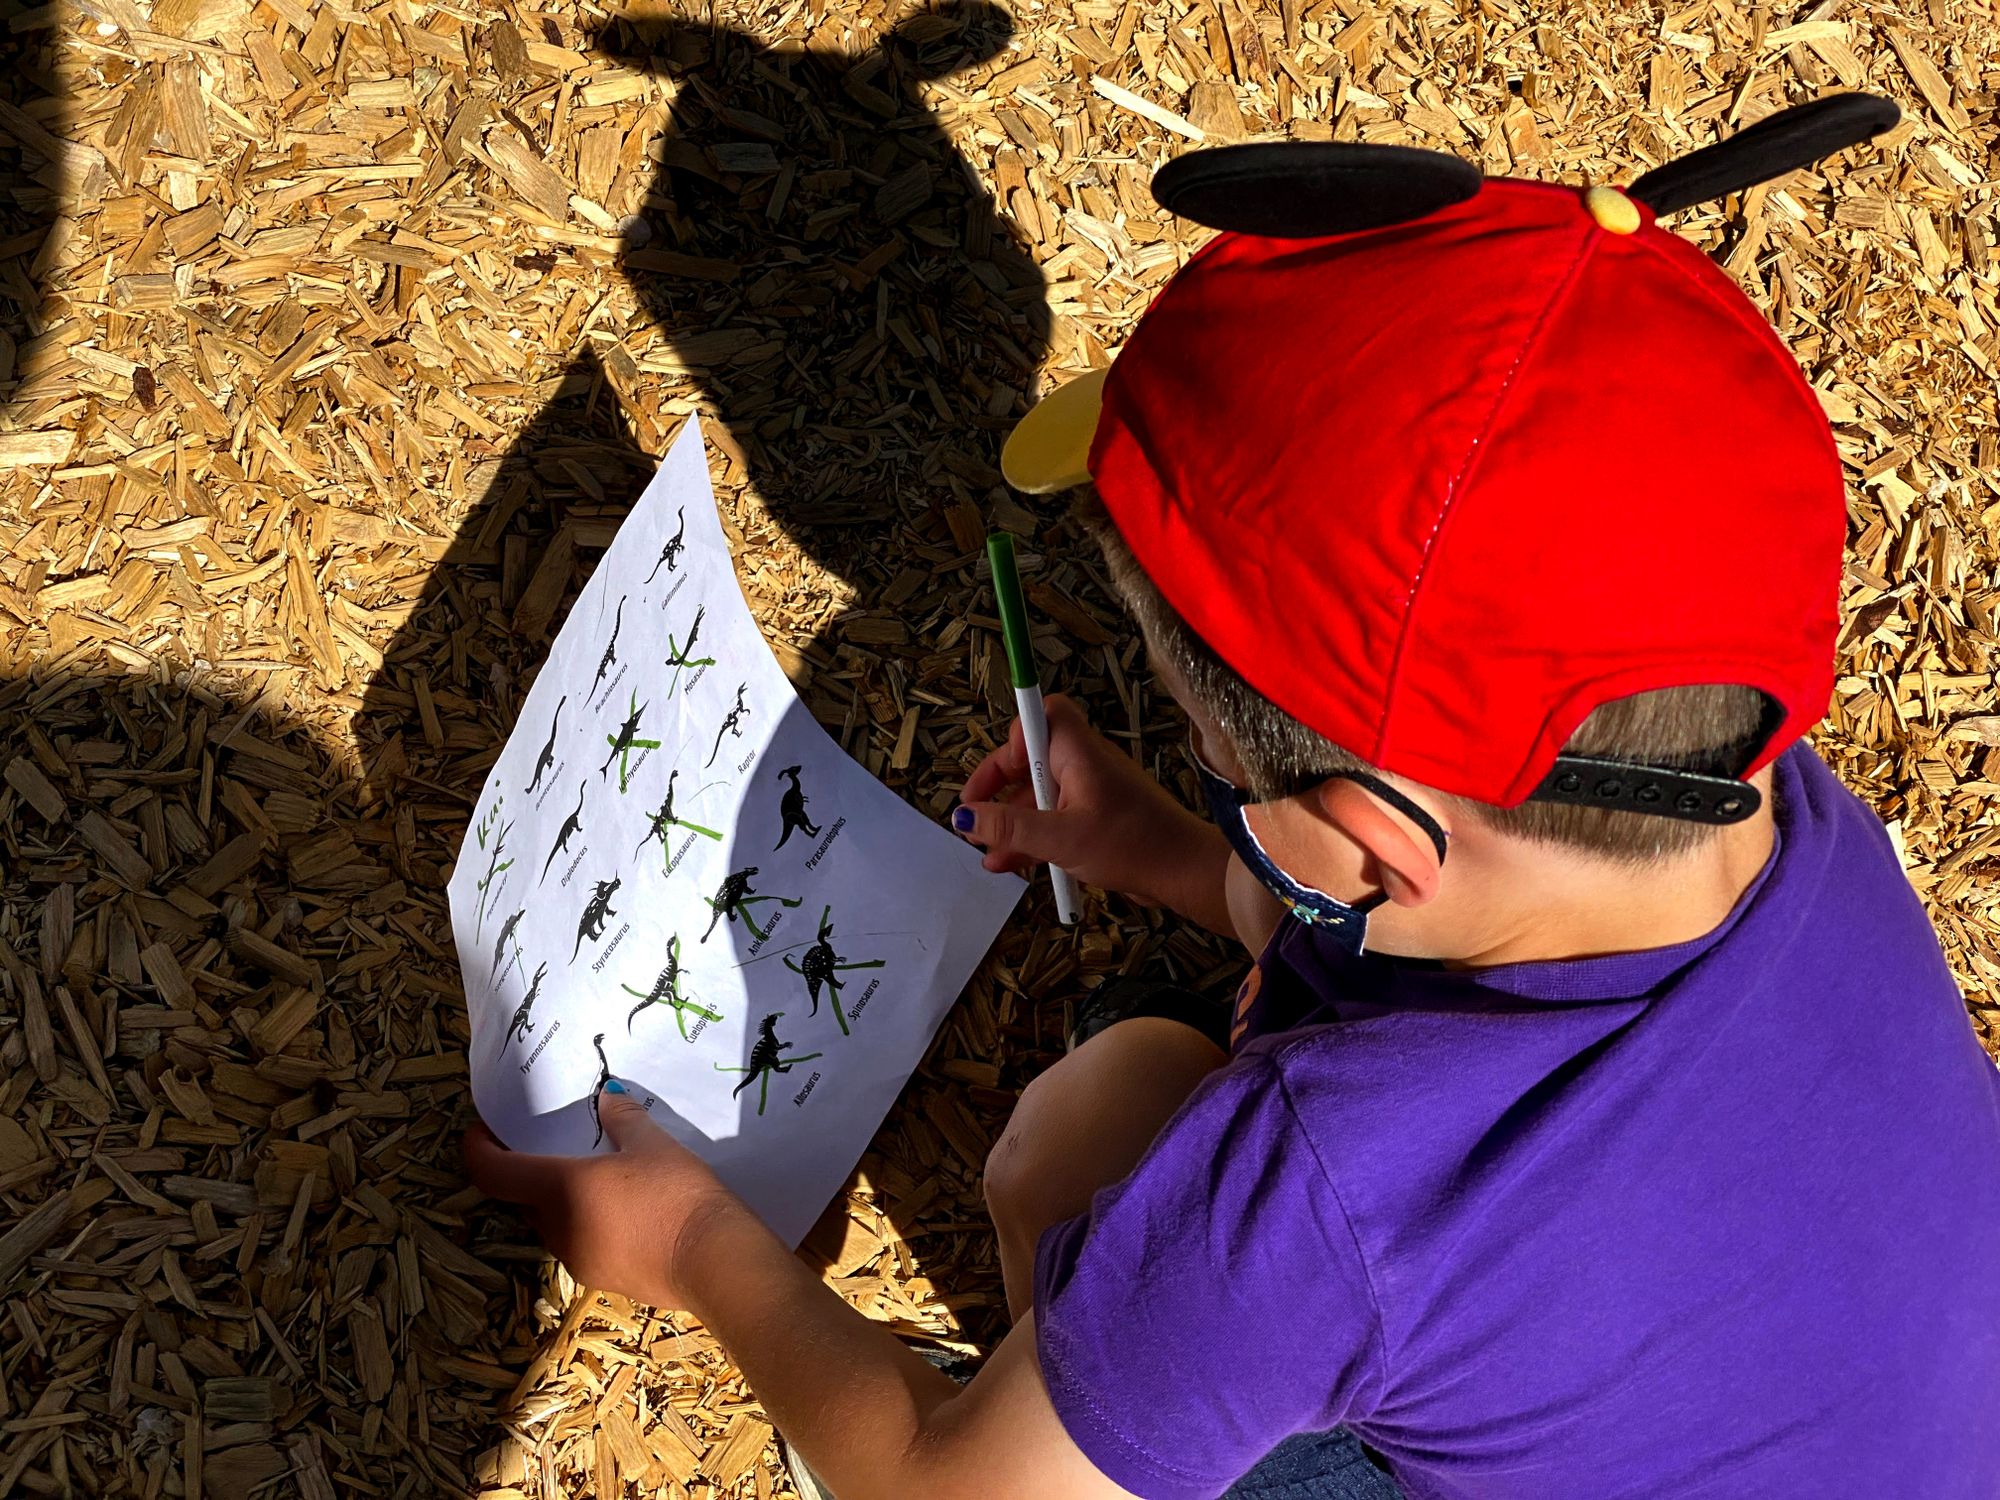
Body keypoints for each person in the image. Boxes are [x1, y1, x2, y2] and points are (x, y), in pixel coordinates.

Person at [465, 98, 2000, 1498]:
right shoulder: (1786, 823)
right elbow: (1435, 923)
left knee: (1069, 1160)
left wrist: (691, 1242)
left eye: (1216, 751)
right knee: (1105, 1116)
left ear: (1365, 844)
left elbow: (938, 1495)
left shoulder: (1327, 1197)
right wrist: (1173, 849)